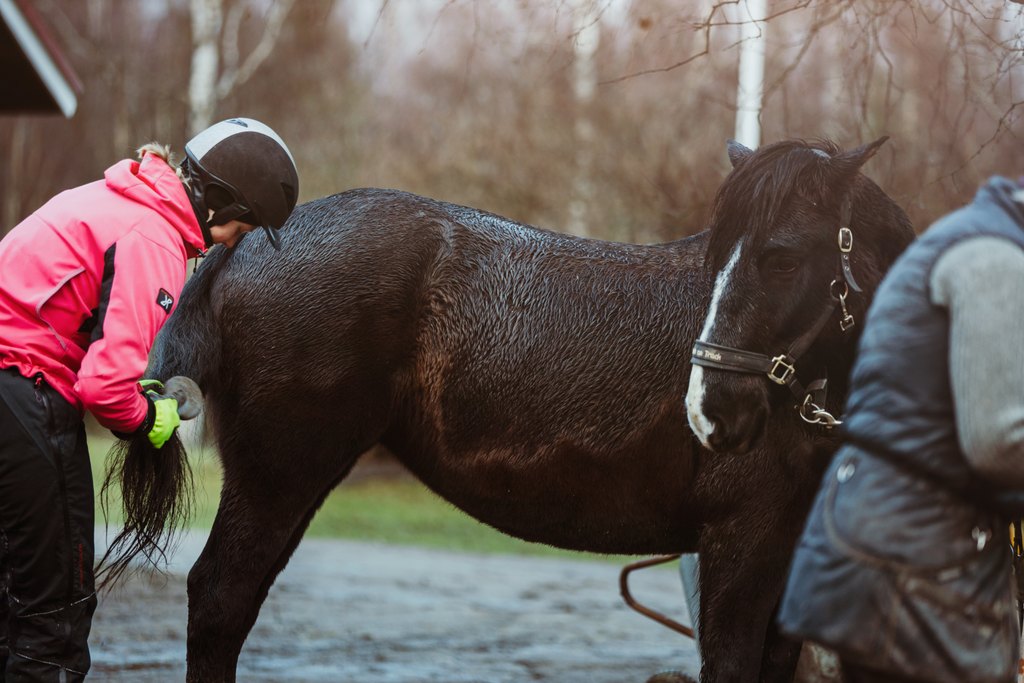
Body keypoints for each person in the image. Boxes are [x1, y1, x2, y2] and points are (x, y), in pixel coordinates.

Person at [0, 117, 298, 681]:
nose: (237, 240)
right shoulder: (153, 238)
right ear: (215, 202)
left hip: (10, 382)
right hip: (25, 396)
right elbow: (104, 389)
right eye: (243, 223)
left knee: (9, 606)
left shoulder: (110, 198)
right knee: (54, 621)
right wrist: (151, 418)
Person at [777, 175, 1024, 683]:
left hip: (885, 547)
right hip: (915, 565)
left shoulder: (963, 239)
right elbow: (997, 442)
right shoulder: (993, 261)